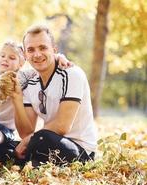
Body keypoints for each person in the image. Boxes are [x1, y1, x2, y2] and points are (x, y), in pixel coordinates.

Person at [11, 24, 97, 166]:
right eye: (31, 50)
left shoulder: (71, 74)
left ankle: (30, 162)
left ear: (54, 50)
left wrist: (27, 141)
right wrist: (16, 99)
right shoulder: (30, 83)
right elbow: (26, 132)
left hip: (80, 150)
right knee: (6, 146)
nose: (37, 54)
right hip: (45, 142)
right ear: (25, 55)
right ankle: (31, 161)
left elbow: (62, 126)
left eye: (43, 48)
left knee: (41, 139)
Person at [0, 40, 73, 165]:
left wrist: (59, 57)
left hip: (3, 129)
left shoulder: (23, 76)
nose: (5, 60)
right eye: (2, 56)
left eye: (12, 58)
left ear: (21, 64)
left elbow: (46, 67)